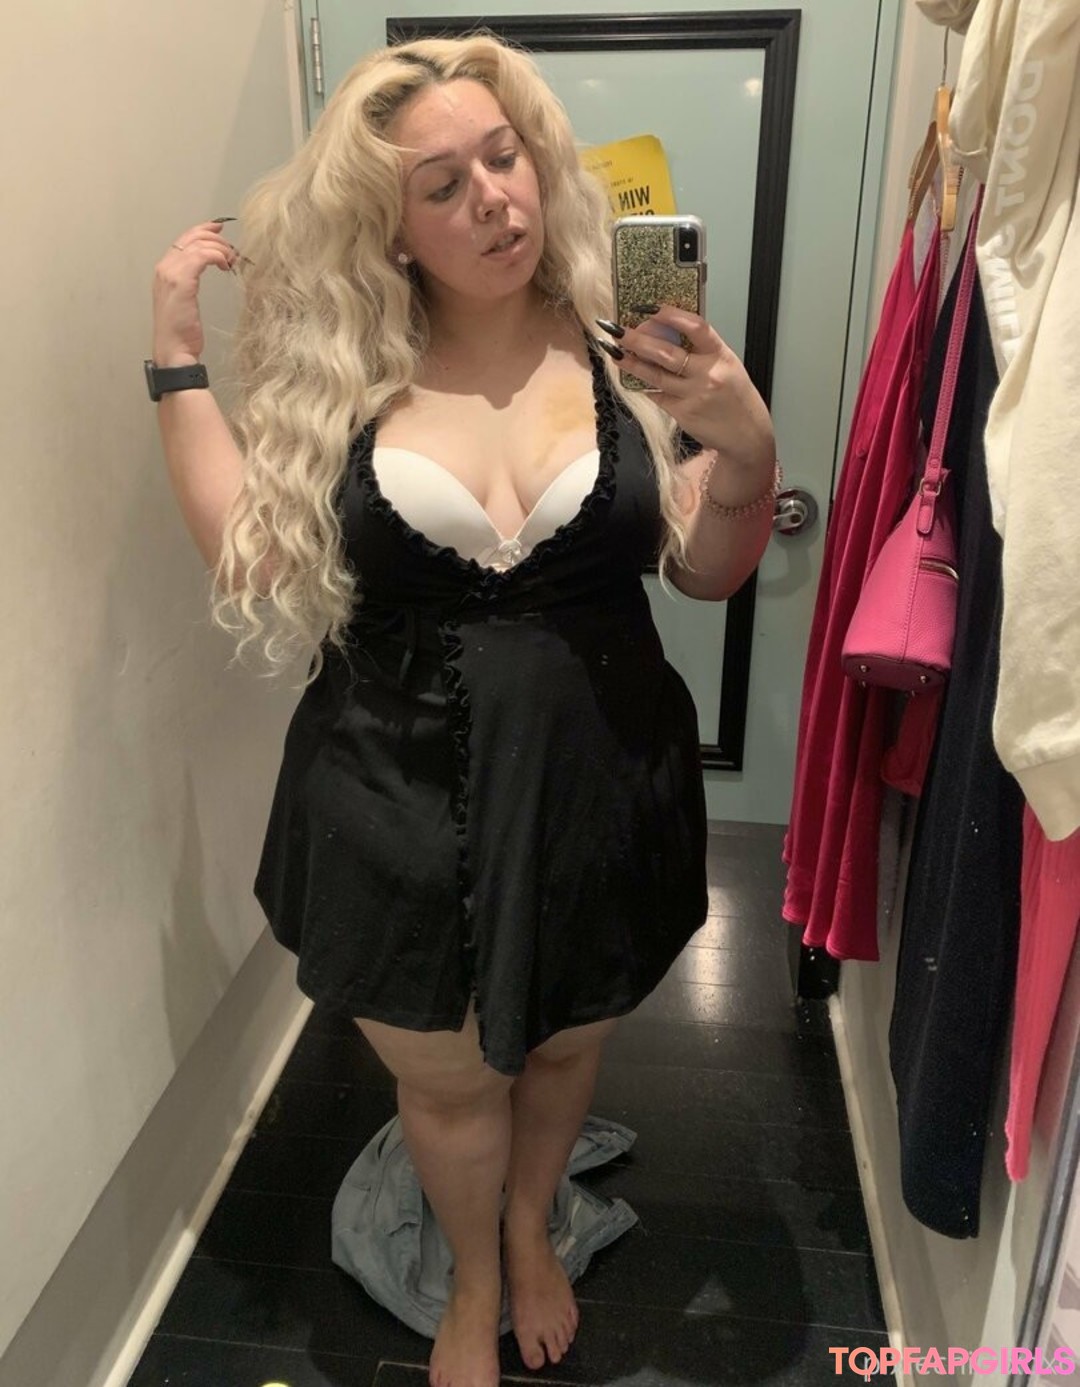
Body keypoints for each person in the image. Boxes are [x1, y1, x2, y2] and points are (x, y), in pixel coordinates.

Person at [149, 32, 776, 1387]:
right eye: (442, 185)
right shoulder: (346, 370)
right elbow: (251, 560)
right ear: (390, 226)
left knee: (562, 1052)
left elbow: (710, 572)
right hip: (391, 795)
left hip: (600, 782)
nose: (494, 197)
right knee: (445, 1085)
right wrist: (176, 363)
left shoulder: (626, 339)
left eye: (505, 158)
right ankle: (472, 1281)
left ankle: (531, 1230)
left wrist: (748, 444)